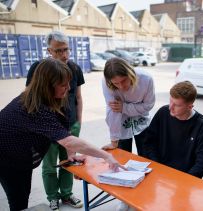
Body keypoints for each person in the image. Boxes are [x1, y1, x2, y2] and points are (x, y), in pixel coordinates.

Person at [0, 58, 124, 211]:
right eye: (63, 85)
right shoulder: (35, 107)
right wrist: (106, 156)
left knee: (23, 195)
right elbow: (69, 141)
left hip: (21, 157)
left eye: (69, 83)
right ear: (47, 86)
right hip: (6, 158)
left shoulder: (58, 99)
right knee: (18, 200)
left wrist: (71, 155)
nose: (68, 88)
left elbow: (66, 131)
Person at [25, 31, 85, 210]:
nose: (64, 55)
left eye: (66, 49)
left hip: (70, 125)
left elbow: (78, 97)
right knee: (50, 165)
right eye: (58, 51)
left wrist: (78, 122)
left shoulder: (74, 68)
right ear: (49, 51)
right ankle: (52, 196)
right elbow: (29, 98)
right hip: (47, 127)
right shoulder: (38, 68)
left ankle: (67, 194)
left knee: (69, 161)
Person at [143, 81, 203, 178]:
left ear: (190, 107)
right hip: (158, 172)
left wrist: (185, 180)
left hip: (185, 178)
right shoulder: (163, 112)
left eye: (177, 105)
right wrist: (157, 167)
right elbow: (149, 142)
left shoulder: (201, 125)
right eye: (170, 101)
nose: (170, 107)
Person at [101, 57, 155, 156]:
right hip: (120, 122)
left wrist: (124, 108)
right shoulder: (106, 82)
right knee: (123, 157)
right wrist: (114, 141)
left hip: (142, 120)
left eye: (124, 80)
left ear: (130, 73)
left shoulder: (146, 79)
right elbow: (113, 110)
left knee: (147, 156)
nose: (121, 86)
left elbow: (148, 105)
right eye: (116, 83)